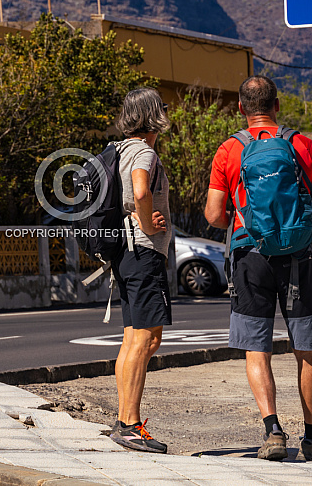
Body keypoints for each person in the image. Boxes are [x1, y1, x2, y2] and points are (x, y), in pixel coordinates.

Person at [204, 75, 312, 462]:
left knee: (256, 349)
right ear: (277, 106)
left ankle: (273, 431)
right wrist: (295, 222)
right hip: (297, 256)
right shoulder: (301, 144)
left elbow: (214, 215)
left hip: (250, 256)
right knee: (307, 348)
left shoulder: (228, 150)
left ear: (241, 108)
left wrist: (245, 214)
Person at [109, 87, 173, 454]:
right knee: (148, 339)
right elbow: (139, 190)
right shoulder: (143, 151)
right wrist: (149, 224)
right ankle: (130, 425)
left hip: (126, 253)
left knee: (133, 338)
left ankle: (123, 419)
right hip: (143, 252)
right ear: (153, 114)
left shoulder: (120, 148)